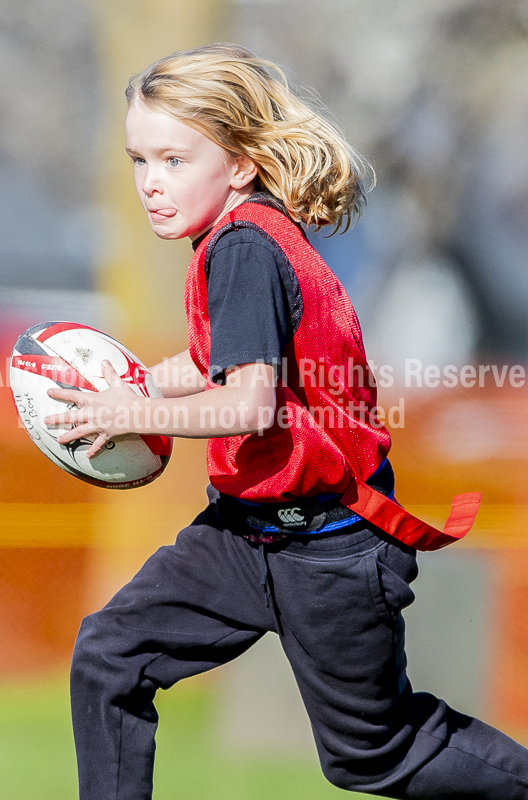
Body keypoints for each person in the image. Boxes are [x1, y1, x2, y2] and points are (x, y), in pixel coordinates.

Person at [45, 43, 528, 799]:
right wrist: (126, 385)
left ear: (240, 163)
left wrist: (129, 410)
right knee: (111, 654)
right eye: (140, 161)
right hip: (246, 535)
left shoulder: (243, 249)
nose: (151, 184)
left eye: (174, 160)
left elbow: (248, 402)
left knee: (373, 754)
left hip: (329, 552)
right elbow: (216, 364)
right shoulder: (243, 236)